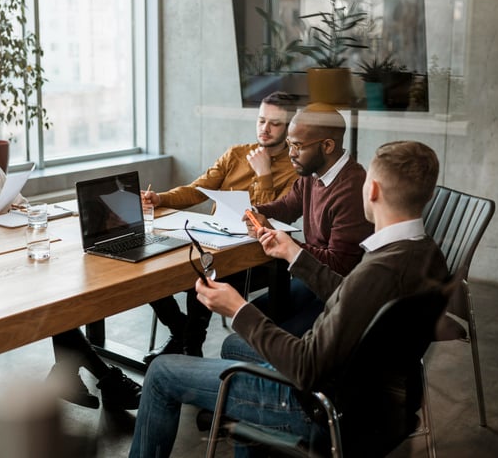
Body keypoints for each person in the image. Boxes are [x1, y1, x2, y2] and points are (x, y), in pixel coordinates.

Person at [128, 140, 449, 458]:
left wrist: (238, 309)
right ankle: (251, 437)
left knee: (161, 373)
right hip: (374, 399)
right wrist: (294, 254)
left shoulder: (378, 269)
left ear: (373, 190)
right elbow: (354, 296)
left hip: (316, 405)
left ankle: (255, 423)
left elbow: (305, 365)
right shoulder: (425, 254)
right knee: (232, 347)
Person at [0, 100, 142, 411]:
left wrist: (21, 207)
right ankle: (104, 378)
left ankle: (74, 375)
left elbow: (19, 202)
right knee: (49, 301)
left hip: (9, 258)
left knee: (55, 295)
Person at [141, 91, 300, 362]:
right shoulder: (236, 154)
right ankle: (180, 332)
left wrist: (264, 174)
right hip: (215, 240)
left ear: (289, 128)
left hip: (257, 255)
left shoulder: (295, 169)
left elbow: (268, 215)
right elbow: (198, 190)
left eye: (274, 123)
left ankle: (191, 346)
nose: (265, 128)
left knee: (203, 273)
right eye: (261, 120)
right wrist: (161, 198)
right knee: (149, 268)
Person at [220, 102, 374, 362]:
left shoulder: (352, 188)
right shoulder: (312, 174)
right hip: (310, 283)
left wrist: (286, 245)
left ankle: (270, 395)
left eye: (297, 146)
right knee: (244, 320)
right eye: (290, 144)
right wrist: (255, 211)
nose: (290, 153)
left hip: (337, 298)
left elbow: (339, 267)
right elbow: (285, 207)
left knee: (236, 344)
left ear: (327, 146)